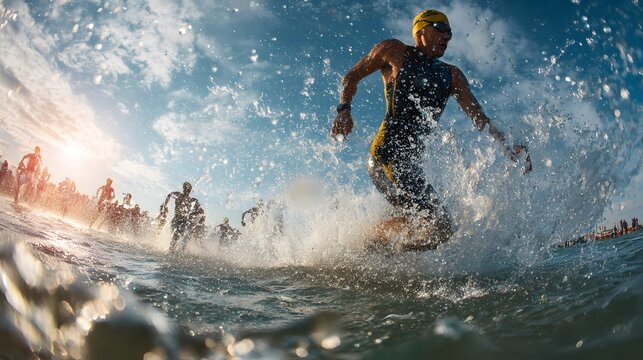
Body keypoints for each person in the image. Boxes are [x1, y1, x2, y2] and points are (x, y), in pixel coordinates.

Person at [330, 9, 532, 251]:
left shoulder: (452, 75)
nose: (448, 36)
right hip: (387, 155)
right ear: (421, 30)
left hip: (408, 164)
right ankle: (387, 256)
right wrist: (344, 110)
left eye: (450, 33)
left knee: (425, 224)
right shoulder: (394, 51)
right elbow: (352, 76)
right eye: (442, 29)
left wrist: (506, 143)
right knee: (441, 227)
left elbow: (480, 118)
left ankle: (368, 244)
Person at [159, 182, 200, 252]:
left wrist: (197, 211)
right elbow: (169, 195)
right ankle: (171, 251)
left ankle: (181, 251)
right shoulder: (179, 195)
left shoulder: (191, 200)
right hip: (176, 220)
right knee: (176, 236)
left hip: (185, 221)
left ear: (190, 190)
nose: (187, 191)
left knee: (185, 238)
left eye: (188, 190)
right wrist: (165, 205)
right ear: (183, 189)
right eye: (186, 189)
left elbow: (198, 210)